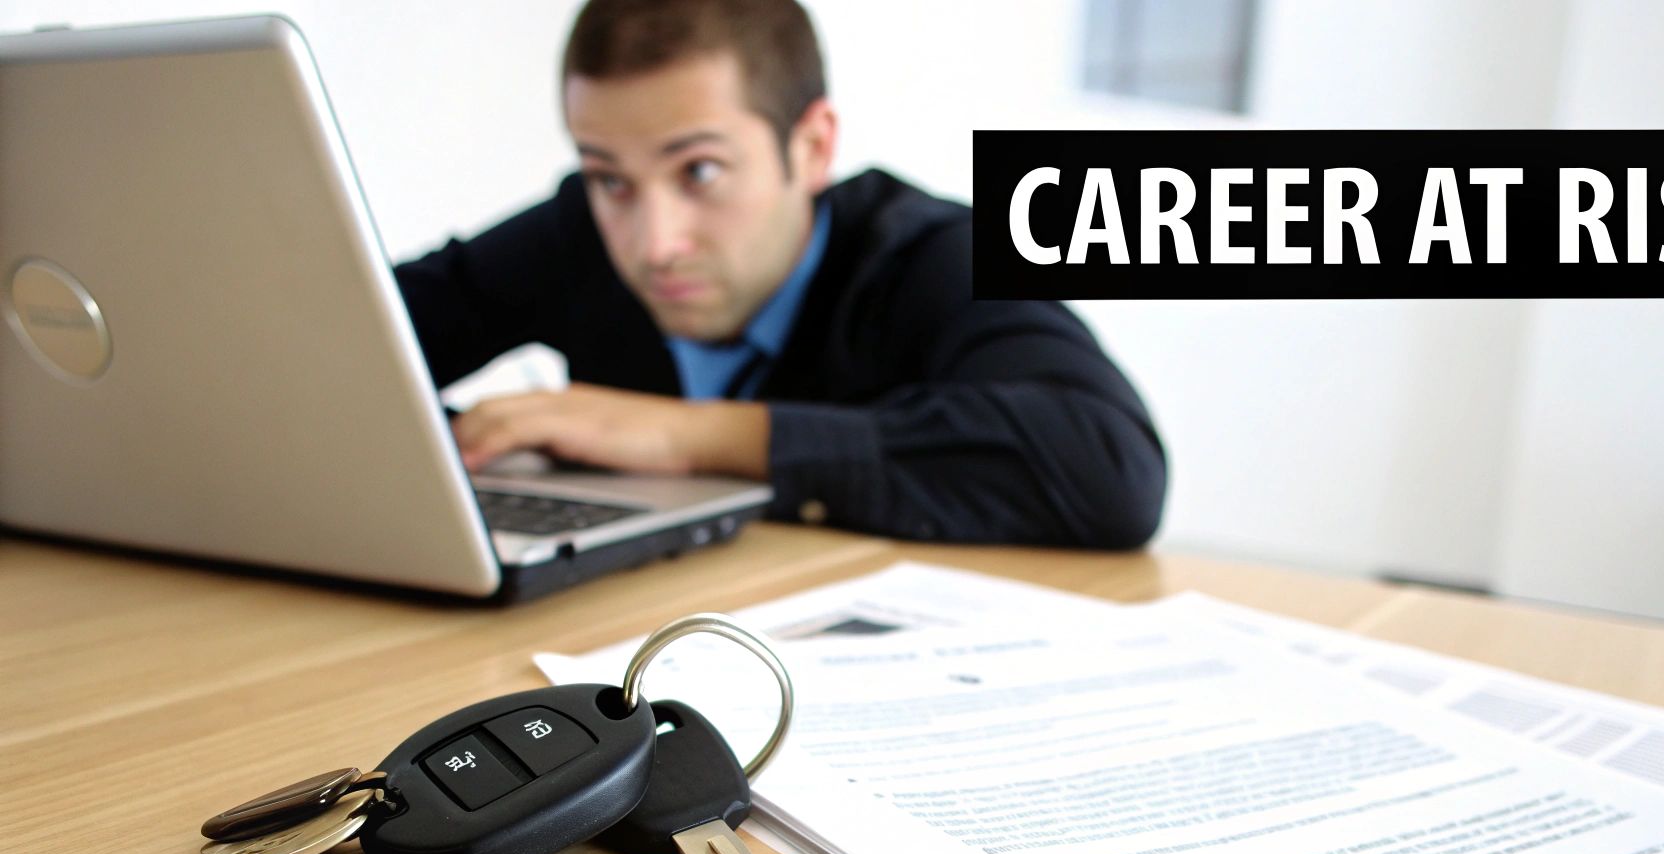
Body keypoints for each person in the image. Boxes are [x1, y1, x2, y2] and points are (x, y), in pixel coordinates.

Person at [395, 0, 1166, 548]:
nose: (653, 242)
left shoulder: (931, 255)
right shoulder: (579, 233)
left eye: (698, 170)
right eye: (609, 178)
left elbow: (1111, 469)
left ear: (812, 148)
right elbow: (360, 337)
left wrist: (681, 437)